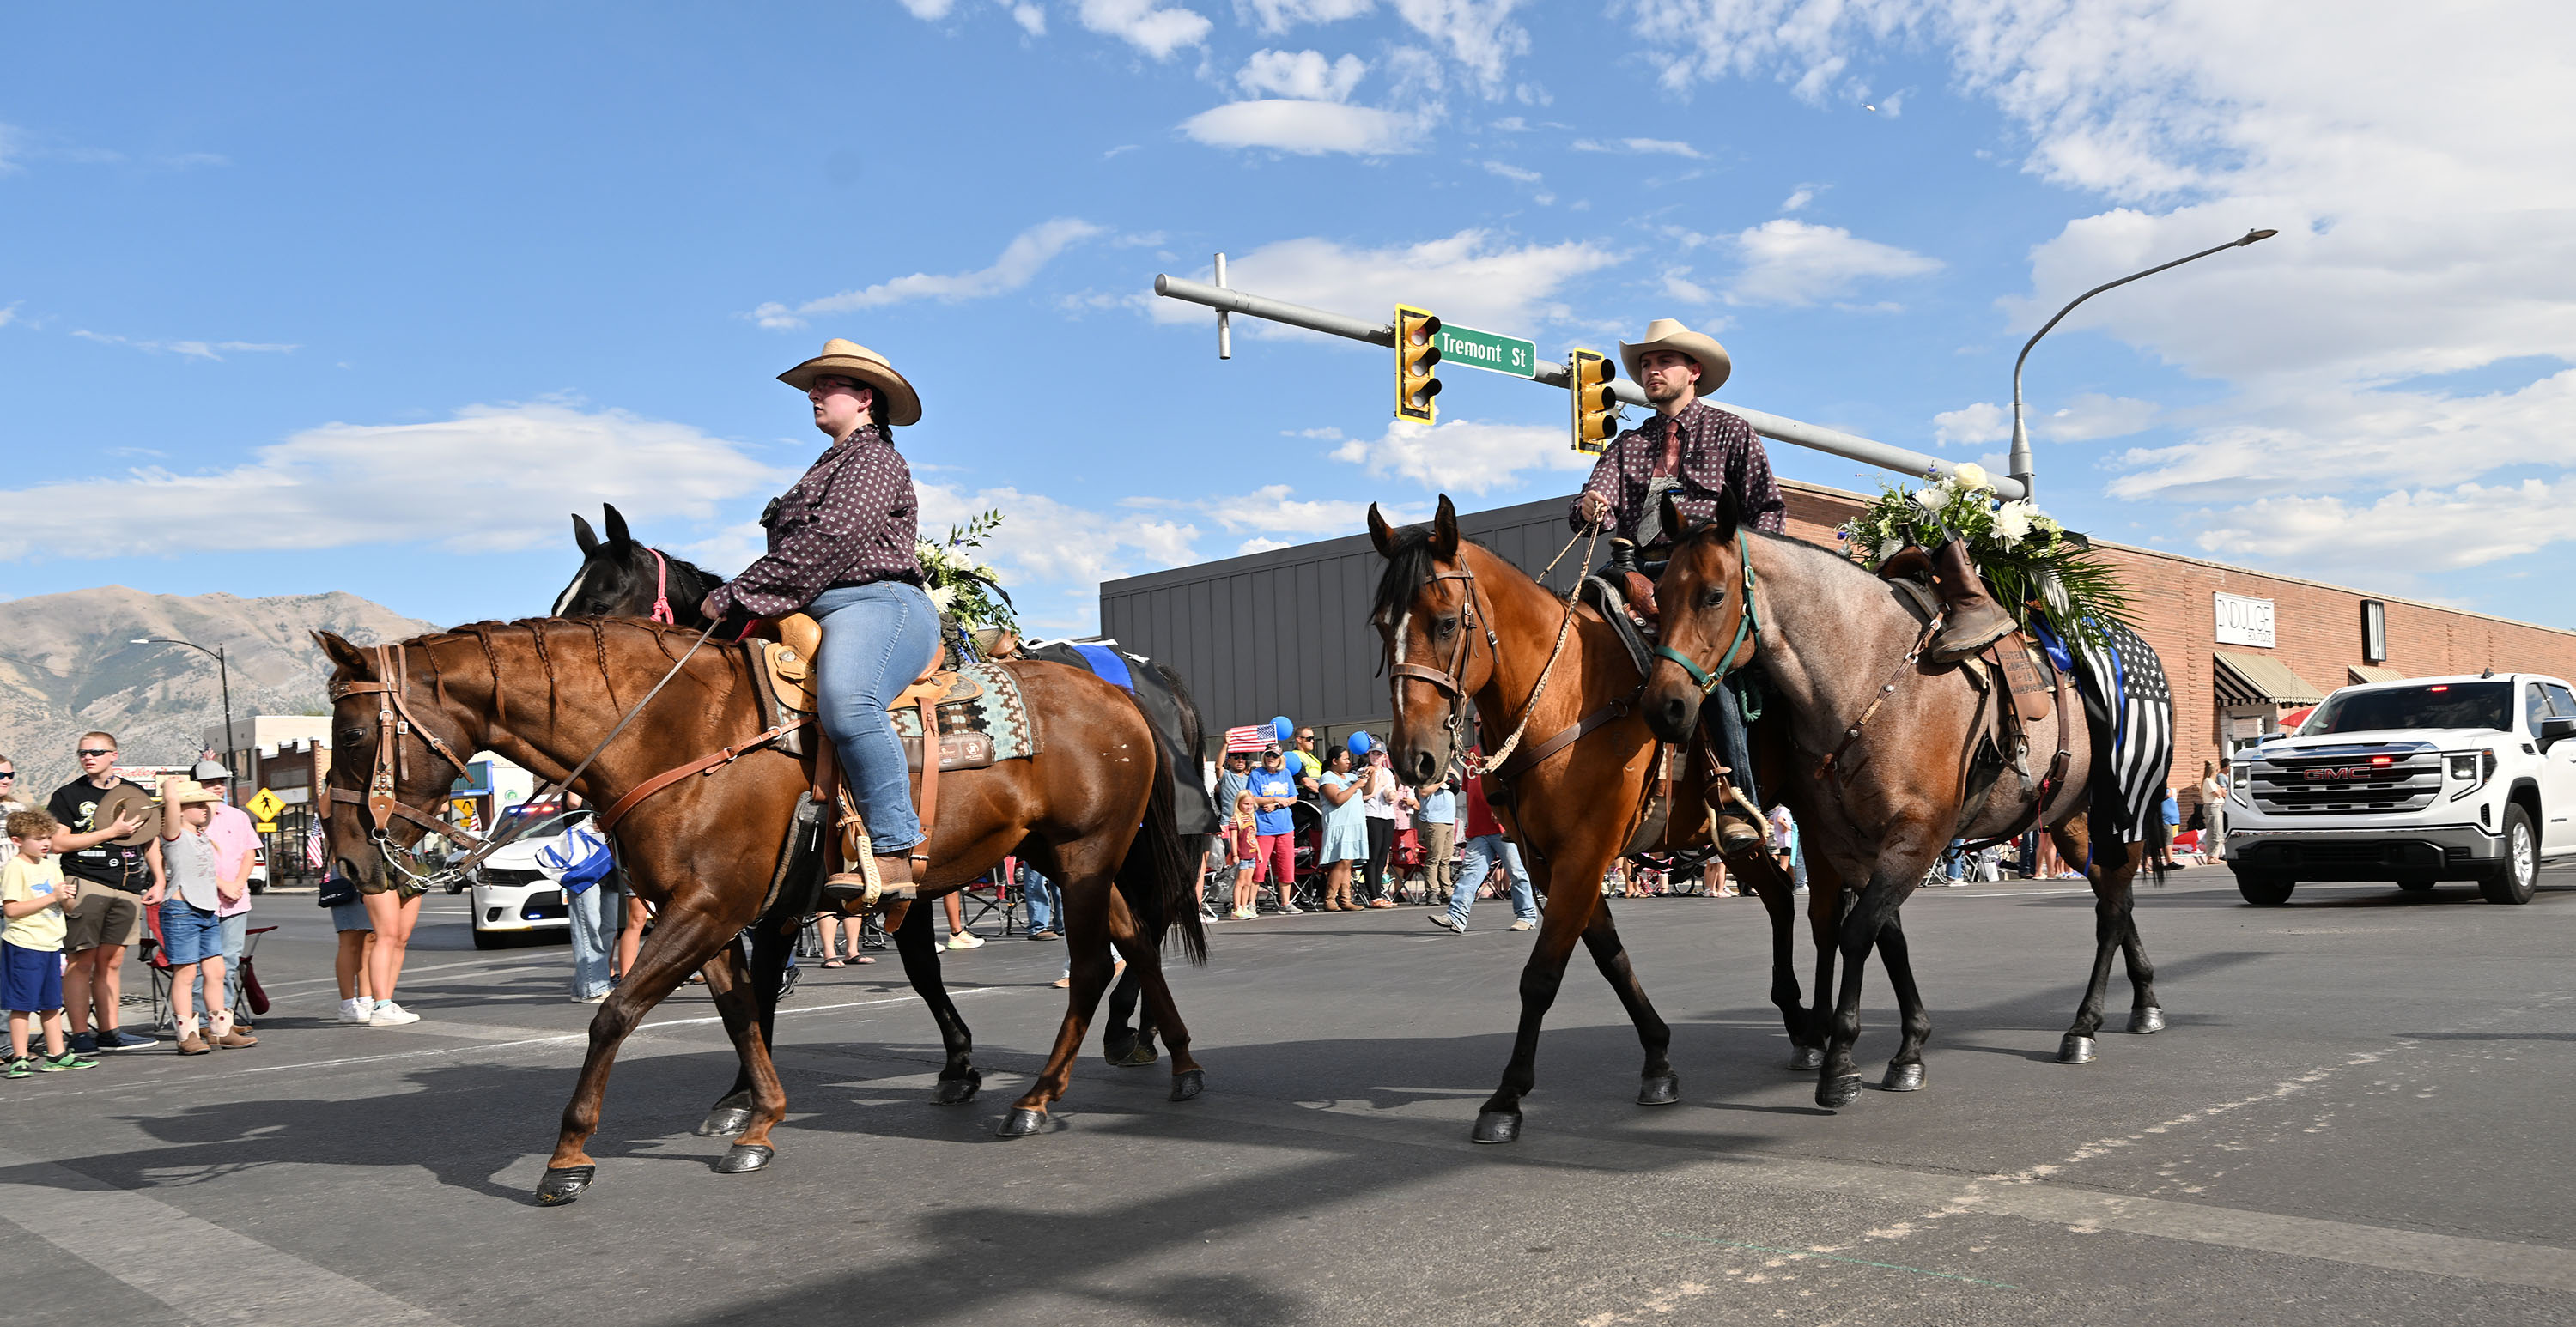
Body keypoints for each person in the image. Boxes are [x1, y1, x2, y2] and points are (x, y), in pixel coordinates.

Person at [700, 338, 940, 906]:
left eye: (827, 384)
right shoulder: (829, 465)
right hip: (809, 606)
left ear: (864, 398)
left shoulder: (875, 460)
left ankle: (895, 848)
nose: (813, 393)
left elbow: (830, 540)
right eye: (814, 384)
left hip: (875, 602)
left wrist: (738, 594)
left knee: (849, 704)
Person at [46, 731, 157, 1054]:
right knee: (81, 959)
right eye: (82, 753)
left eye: (95, 752)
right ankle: (81, 1035)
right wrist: (110, 832)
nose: (88, 757)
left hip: (128, 884)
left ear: (113, 755)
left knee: (112, 961)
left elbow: (150, 838)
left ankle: (110, 1031)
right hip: (85, 880)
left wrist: (159, 880)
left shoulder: (134, 792)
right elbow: (58, 843)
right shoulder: (68, 795)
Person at [154, 778, 255, 1053]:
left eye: (205, 804)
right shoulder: (174, 835)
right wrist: (170, 789)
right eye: (197, 804)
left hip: (206, 909)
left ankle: (221, 1030)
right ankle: (187, 1035)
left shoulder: (201, 835)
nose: (205, 808)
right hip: (181, 910)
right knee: (186, 973)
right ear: (179, 810)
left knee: (216, 971)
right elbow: (170, 803)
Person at [5, 809, 100, 1075]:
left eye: (48, 837)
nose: (46, 843)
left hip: (51, 943)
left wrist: (68, 898)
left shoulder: (50, 866)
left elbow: (65, 906)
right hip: (24, 944)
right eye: (38, 839)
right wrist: (52, 897)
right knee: (22, 1004)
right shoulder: (15, 868)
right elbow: (11, 909)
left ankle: (57, 1054)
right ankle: (20, 1056)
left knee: (51, 1002)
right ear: (17, 841)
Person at [1430, 748, 1536, 933]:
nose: (1479, 731)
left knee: (1516, 872)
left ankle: (1526, 915)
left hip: (1502, 827)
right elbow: (1471, 791)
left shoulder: (1504, 750)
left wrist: (1502, 809)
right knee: (1470, 873)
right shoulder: (1471, 755)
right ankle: (1456, 916)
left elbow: (1517, 784)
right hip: (1478, 827)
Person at [189, 760, 260, 1028]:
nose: (217, 787)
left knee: (228, 963)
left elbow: (249, 852)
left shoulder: (237, 816)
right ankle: (202, 1023)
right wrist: (222, 885)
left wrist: (239, 884)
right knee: (201, 966)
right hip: (200, 902)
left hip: (235, 903)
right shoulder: (187, 818)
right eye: (209, 782)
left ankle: (223, 1021)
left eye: (221, 782)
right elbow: (188, 860)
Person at [1242, 745, 1303, 914]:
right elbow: (1251, 798)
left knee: (1286, 865)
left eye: (1275, 756)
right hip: (1263, 827)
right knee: (1259, 866)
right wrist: (1274, 798)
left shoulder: (1286, 773)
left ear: (1280, 758)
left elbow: (1293, 797)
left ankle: (1286, 902)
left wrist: (1276, 804)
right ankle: (1251, 903)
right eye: (1268, 755)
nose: (1271, 758)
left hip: (1285, 826)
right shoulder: (1256, 774)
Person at [320, 868, 380, 1023]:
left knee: (369, 939)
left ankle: (365, 1000)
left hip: (371, 875)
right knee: (349, 940)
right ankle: (347, 1005)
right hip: (348, 874)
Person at [1315, 747, 1369, 911]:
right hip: (1339, 825)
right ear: (1334, 761)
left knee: (1349, 861)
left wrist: (1370, 776)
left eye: (1348, 759)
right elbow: (1337, 799)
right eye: (1344, 759)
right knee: (1342, 861)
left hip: (1355, 824)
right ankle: (1330, 899)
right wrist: (1356, 785)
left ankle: (1345, 899)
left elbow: (1368, 790)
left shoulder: (1352, 777)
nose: (1348, 762)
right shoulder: (1327, 777)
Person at [1358, 745, 1403, 908]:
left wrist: (1392, 795)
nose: (1376, 757)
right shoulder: (1363, 771)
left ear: (1385, 756)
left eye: (1379, 754)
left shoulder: (1388, 773)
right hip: (1371, 815)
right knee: (1373, 855)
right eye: (1373, 753)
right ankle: (1374, 895)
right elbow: (1364, 795)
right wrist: (1380, 784)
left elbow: (1392, 793)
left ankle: (1379, 892)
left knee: (1383, 856)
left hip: (1387, 815)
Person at [1415, 773, 1457, 913]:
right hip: (1434, 820)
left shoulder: (1447, 772)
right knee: (1434, 858)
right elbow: (1423, 792)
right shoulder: (1427, 774)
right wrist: (1441, 780)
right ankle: (1432, 891)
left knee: (1445, 860)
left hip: (1449, 820)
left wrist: (1449, 772)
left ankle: (1447, 891)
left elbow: (1457, 783)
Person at [2196, 759, 2229, 846]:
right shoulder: (2208, 781)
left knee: (2218, 832)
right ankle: (2212, 852)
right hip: (2213, 807)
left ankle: (2217, 851)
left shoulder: (2212, 782)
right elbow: (2218, 794)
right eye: (2216, 770)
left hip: (2218, 807)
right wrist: (2219, 788)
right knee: (2215, 832)